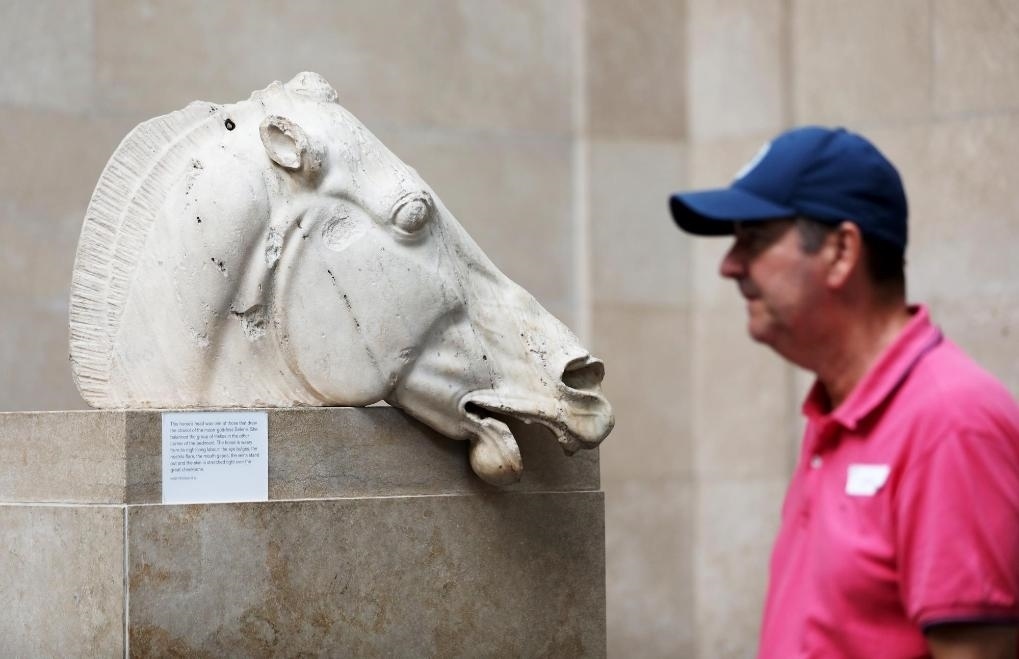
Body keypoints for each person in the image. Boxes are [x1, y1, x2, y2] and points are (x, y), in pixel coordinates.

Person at [669, 126, 1019, 658]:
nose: (729, 265)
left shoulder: (952, 423)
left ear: (841, 251)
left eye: (754, 238)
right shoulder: (835, 411)